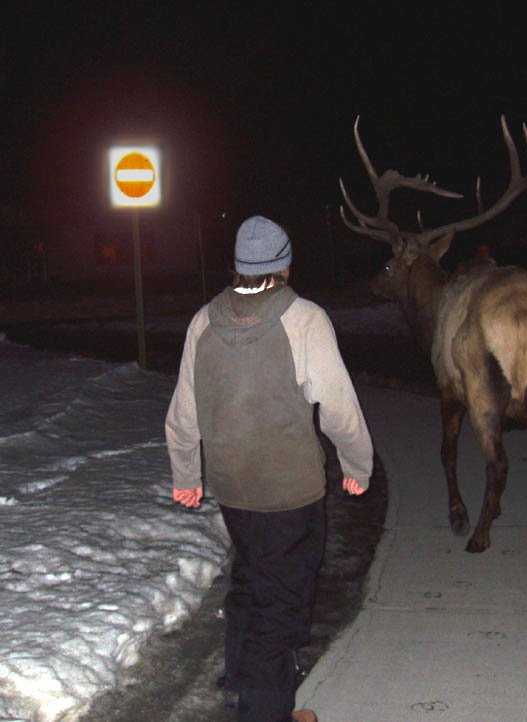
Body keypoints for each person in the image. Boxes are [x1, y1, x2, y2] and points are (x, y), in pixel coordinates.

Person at [165, 215, 374, 722]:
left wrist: (188, 476)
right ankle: (266, 711)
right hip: (291, 494)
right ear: (284, 265)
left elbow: (181, 413)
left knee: (253, 576)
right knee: (281, 606)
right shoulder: (304, 319)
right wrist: (357, 463)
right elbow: (339, 406)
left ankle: (240, 676)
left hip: (234, 489)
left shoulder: (203, 320)